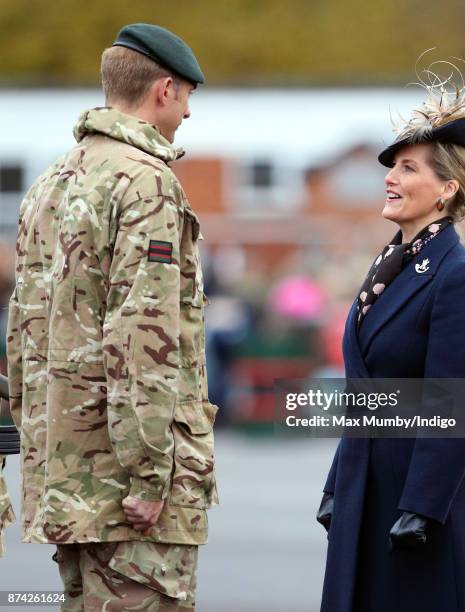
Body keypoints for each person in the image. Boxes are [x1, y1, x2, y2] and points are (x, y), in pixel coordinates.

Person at [6, 23, 218, 611]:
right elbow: (141, 336)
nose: (188, 116)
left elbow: (21, 331)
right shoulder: (145, 182)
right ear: (165, 90)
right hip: (127, 486)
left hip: (68, 471)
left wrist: (39, 453)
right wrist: (151, 474)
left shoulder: (50, 182)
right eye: (189, 99)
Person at [319, 56, 465, 612]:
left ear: (446, 189)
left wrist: (423, 507)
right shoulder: (390, 265)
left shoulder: (456, 278)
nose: (391, 177)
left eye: (407, 168)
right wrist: (338, 482)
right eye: (393, 166)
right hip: (367, 487)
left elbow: (456, 407)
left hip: (416, 501)